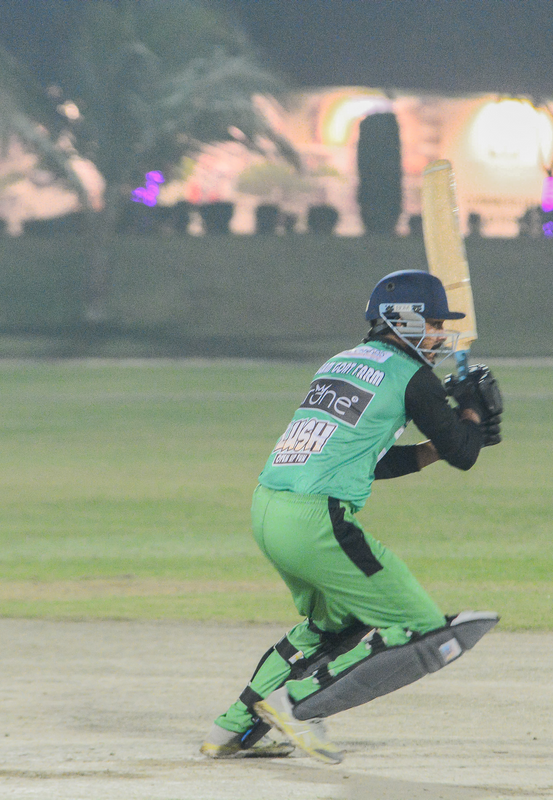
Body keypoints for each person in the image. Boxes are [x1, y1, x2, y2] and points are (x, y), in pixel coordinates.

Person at [200, 269, 504, 764]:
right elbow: (465, 453)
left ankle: (231, 729)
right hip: (316, 521)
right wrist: (470, 410)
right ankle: (295, 705)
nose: (439, 335)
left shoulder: (341, 362)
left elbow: (366, 460)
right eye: (432, 323)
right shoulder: (414, 377)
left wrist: (441, 443)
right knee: (419, 625)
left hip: (269, 508)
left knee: (331, 627)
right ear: (401, 320)